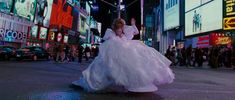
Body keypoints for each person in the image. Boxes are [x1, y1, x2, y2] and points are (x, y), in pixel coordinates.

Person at [72, 18, 174, 93]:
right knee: (100, 69)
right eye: (118, 28)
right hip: (115, 56)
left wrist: (133, 24)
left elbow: (136, 32)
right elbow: (108, 46)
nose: (120, 30)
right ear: (115, 28)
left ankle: (135, 84)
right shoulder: (111, 36)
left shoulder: (125, 35)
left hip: (126, 53)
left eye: (121, 28)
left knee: (141, 57)